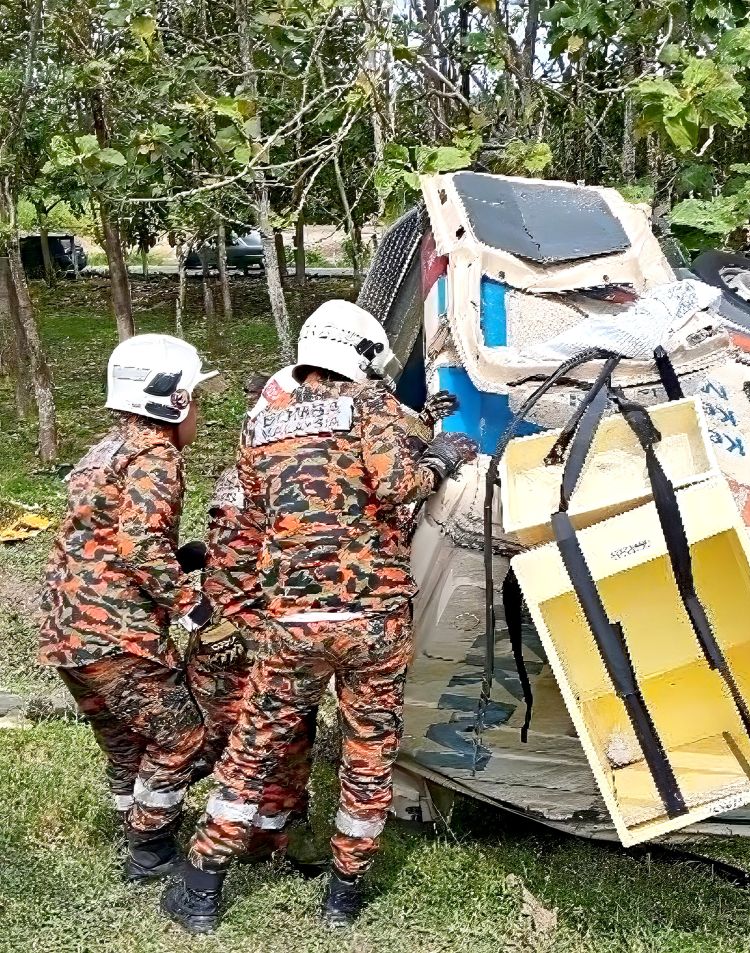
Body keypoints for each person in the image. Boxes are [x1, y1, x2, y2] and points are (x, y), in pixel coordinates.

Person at [162, 300, 478, 934]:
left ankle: (201, 886)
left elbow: (244, 534)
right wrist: (441, 457)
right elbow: (397, 484)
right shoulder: (372, 406)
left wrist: (243, 617)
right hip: (373, 623)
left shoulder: (261, 427)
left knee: (255, 748)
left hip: (291, 625)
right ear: (360, 355)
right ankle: (344, 890)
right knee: (368, 750)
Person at [39, 334, 217, 881]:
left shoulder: (106, 449)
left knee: (124, 742)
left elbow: (101, 537)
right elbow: (139, 546)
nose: (199, 412)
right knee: (182, 734)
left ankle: (133, 828)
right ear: (174, 401)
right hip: (115, 633)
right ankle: (151, 846)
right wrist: (195, 607)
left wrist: (180, 557)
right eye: (196, 399)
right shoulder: (156, 455)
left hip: (67, 631)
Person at [184, 371, 316, 862]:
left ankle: (274, 835)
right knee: (251, 746)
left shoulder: (273, 473)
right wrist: (258, 636)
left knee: (284, 741)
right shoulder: (252, 478)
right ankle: (249, 845)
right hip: (241, 642)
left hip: (261, 633)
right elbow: (229, 574)